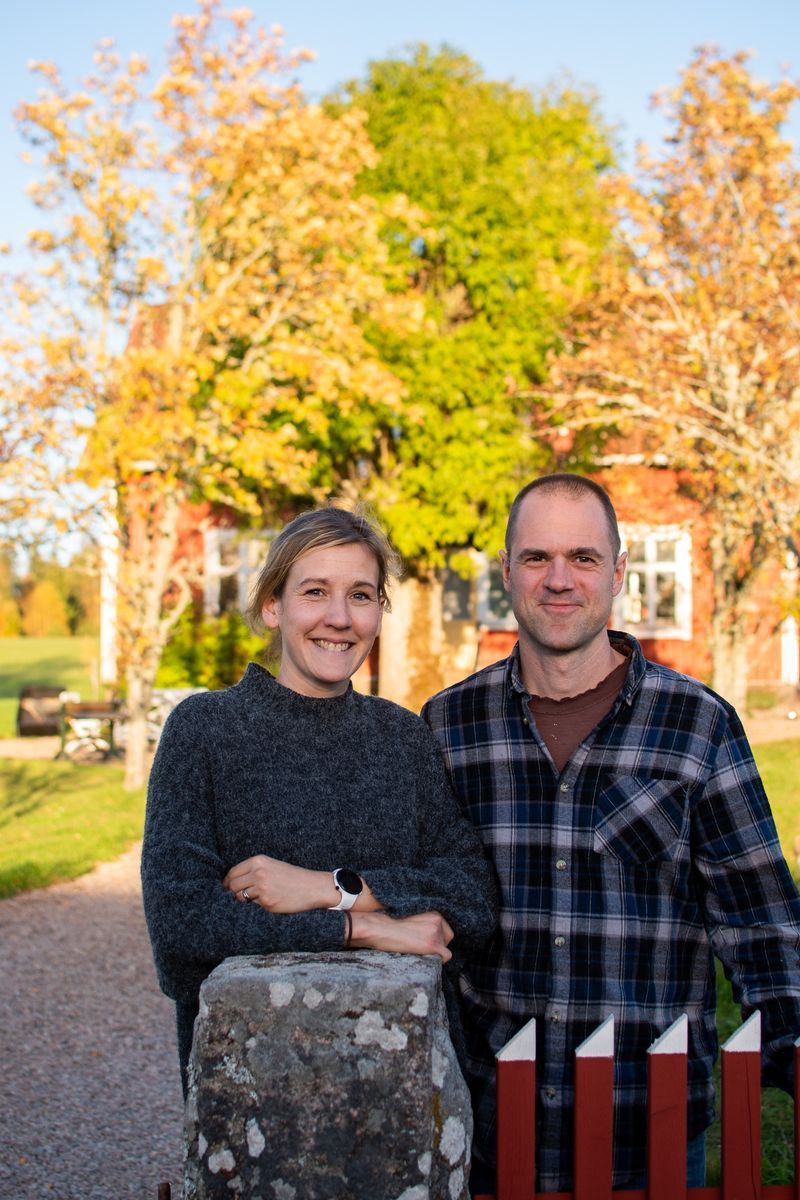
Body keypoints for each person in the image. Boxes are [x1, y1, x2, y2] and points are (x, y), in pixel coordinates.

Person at [422, 473, 800, 1195]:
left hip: (647, 1136)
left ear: (619, 573)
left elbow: (760, 923)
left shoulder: (698, 726)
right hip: (491, 1136)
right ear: (507, 573)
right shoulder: (446, 730)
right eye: (536, 558)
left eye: (583, 558)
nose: (558, 580)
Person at [141, 506, 497, 1094]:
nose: (339, 618)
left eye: (361, 595)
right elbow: (183, 927)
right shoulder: (205, 732)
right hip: (253, 1087)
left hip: (407, 1088)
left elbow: (470, 898)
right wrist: (367, 929)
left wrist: (331, 890)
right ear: (273, 606)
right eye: (315, 592)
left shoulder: (402, 738)